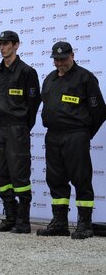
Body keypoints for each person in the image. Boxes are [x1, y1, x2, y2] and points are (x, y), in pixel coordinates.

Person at [37, 41, 106, 239]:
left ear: (72, 55)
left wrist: (85, 133)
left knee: (81, 178)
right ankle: (60, 223)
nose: (60, 63)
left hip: (76, 135)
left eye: (63, 59)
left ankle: (84, 224)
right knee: (55, 179)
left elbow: (100, 111)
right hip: (53, 135)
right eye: (56, 60)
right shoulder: (49, 79)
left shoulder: (85, 78)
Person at [0, 31, 41, 234]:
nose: (2, 47)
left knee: (19, 174)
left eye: (6, 44)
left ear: (16, 45)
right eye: (0, 44)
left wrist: (22, 126)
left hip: (17, 128)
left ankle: (24, 219)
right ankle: (10, 216)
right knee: (0, 174)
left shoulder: (27, 72)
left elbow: (33, 103)